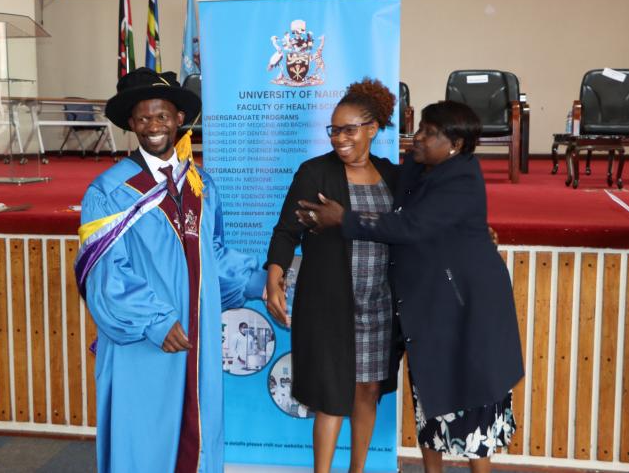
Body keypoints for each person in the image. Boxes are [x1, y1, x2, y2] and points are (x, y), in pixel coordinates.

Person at [299, 100, 524, 473]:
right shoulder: (418, 167)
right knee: (430, 397)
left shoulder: (462, 178)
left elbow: (408, 227)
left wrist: (345, 219)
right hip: (427, 309)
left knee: (477, 402)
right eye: (419, 128)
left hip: (465, 308)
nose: (416, 137)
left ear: (455, 144)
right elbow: (396, 202)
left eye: (428, 133)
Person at [75, 68, 266, 473]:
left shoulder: (201, 185)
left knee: (197, 433)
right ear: (131, 124)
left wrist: (257, 281)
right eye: (143, 118)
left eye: (162, 116)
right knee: (144, 439)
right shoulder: (109, 191)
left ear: (179, 119)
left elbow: (212, 253)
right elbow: (106, 275)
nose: (153, 126)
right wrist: (155, 322)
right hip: (144, 343)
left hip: (196, 338)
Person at [265, 78, 403, 473]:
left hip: (378, 303)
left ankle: (357, 470)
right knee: (331, 397)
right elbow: (286, 230)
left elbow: (419, 225)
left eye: (349, 129)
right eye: (334, 130)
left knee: (367, 390)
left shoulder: (393, 177)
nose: (339, 138)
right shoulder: (315, 173)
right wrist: (274, 273)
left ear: (373, 129)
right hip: (329, 303)